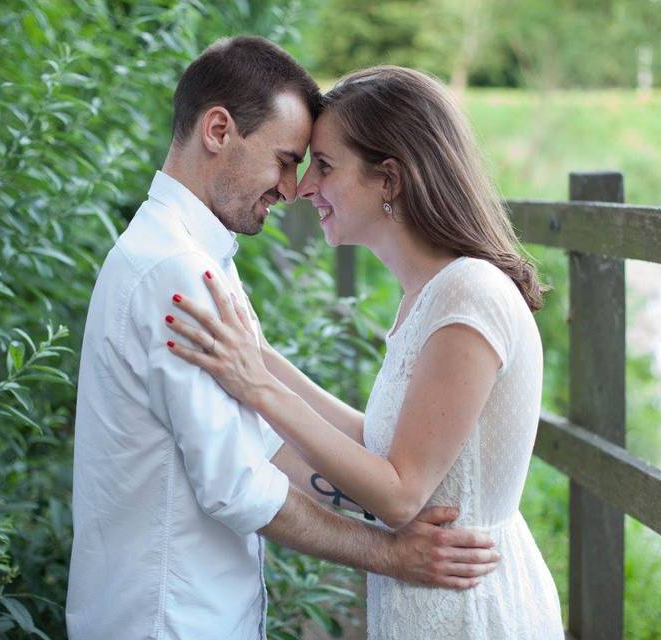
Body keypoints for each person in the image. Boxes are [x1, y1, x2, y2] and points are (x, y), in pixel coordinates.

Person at [65, 39, 500, 640]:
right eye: (286, 159)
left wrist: (391, 496)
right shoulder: (177, 272)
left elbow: (267, 444)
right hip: (168, 619)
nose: (292, 188)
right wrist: (390, 553)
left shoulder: (190, 255)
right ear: (218, 129)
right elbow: (236, 485)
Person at [164, 65, 564, 639]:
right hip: (431, 605)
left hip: (471, 613)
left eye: (324, 167)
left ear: (390, 180)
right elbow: (375, 443)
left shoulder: (468, 294)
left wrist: (258, 385)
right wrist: (258, 356)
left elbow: (401, 494)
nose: (301, 188)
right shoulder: (427, 296)